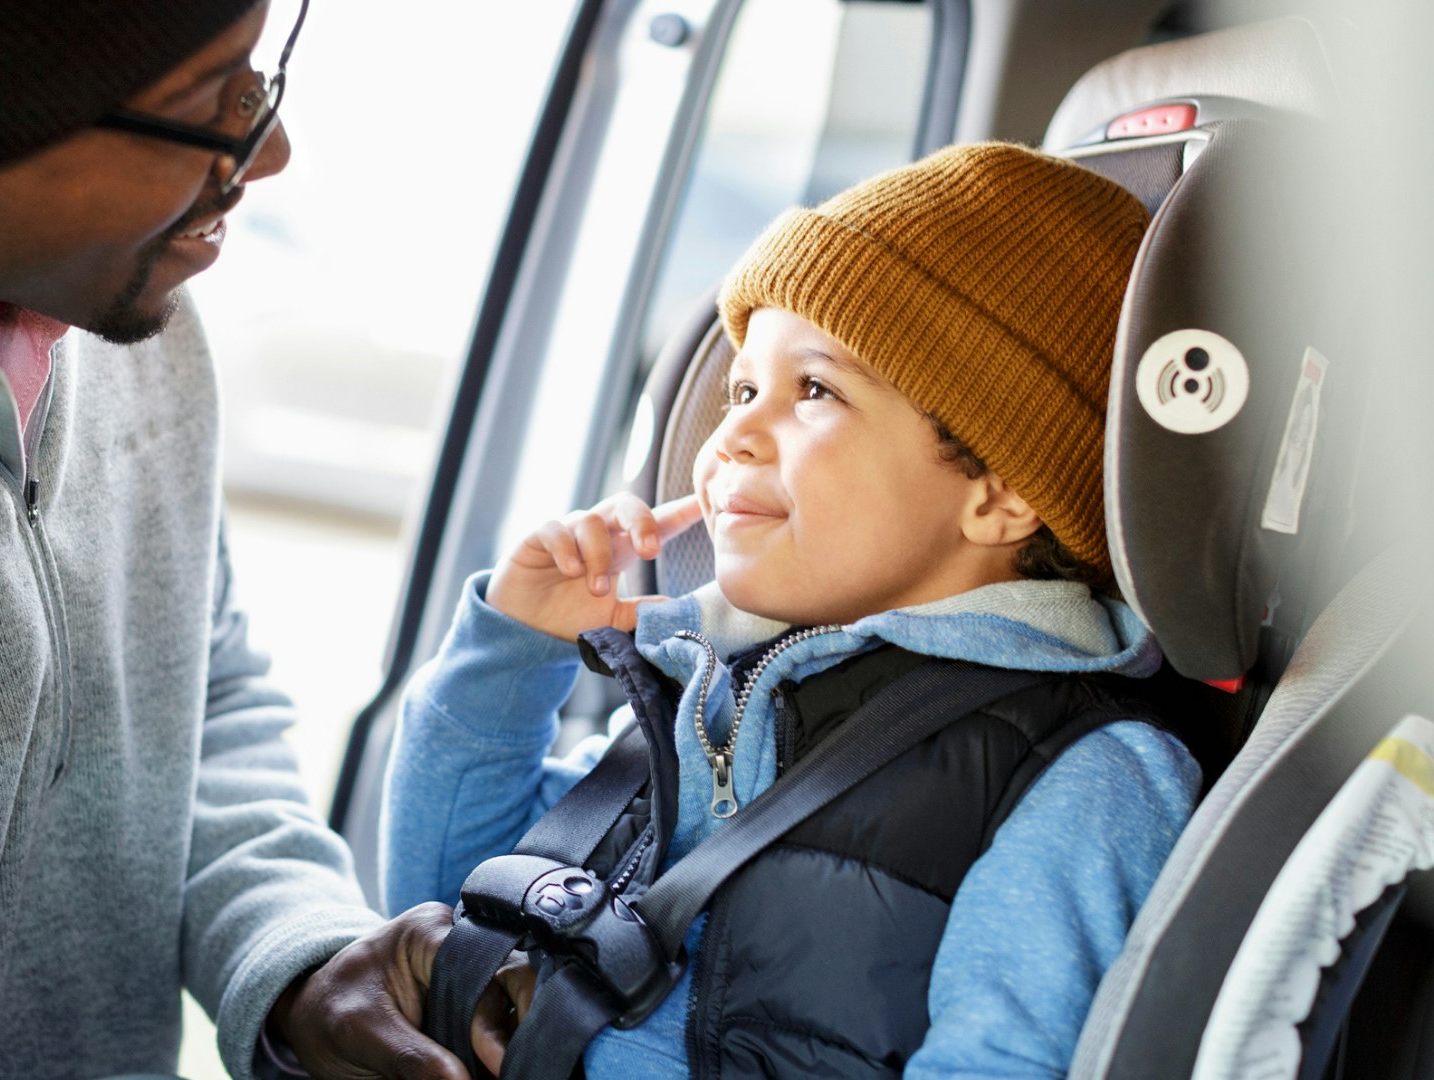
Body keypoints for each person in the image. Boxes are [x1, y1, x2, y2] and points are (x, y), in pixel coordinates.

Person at [0, 0, 525, 1077]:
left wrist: (296, 955)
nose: (273, 148)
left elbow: (197, 694)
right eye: (211, 102)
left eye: (261, 71)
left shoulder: (124, 320)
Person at [384, 143, 1203, 1078]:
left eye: (814, 390)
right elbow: (442, 908)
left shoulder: (1078, 777)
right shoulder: (705, 688)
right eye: (741, 389)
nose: (731, 433)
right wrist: (513, 652)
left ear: (1001, 492)